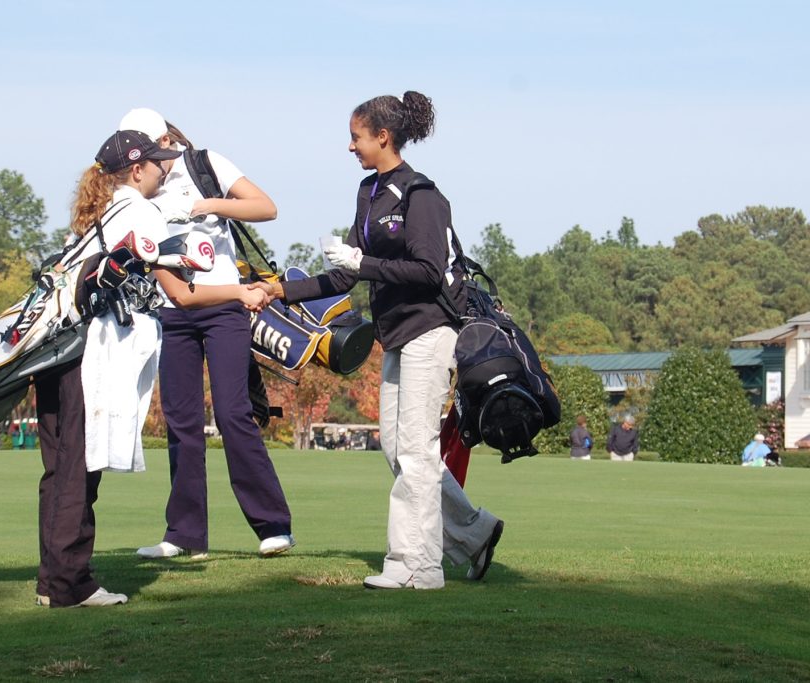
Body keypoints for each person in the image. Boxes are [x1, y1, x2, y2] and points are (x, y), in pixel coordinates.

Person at [252, 91, 504, 590]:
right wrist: (278, 291)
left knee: (415, 451)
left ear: (382, 137)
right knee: (396, 447)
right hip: (395, 336)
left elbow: (428, 269)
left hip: (431, 329)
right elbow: (343, 278)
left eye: (356, 137)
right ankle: (475, 532)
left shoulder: (421, 194)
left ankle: (417, 566)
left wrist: (363, 263)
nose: (351, 147)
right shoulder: (369, 193)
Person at [35, 129, 269, 609]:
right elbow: (181, 293)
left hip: (51, 349)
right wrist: (239, 291)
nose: (166, 169)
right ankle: (70, 585)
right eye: (158, 163)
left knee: (59, 470)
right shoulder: (140, 213)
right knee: (79, 470)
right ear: (137, 169)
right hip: (87, 354)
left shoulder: (95, 212)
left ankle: (52, 581)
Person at [118, 108, 296, 560]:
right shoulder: (140, 186)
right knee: (181, 420)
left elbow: (265, 207)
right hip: (174, 309)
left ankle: (273, 525)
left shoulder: (204, 164)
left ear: (163, 140)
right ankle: (184, 535)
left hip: (224, 306)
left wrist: (207, 205)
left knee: (234, 413)